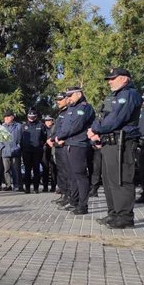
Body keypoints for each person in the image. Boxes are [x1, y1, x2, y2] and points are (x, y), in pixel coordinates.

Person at [88, 68, 142, 228]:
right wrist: (96, 131)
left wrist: (96, 130)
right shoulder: (115, 96)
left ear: (125, 79)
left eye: (113, 78)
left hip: (122, 143)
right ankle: (114, 214)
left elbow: (116, 119)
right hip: (109, 142)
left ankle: (125, 217)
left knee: (121, 179)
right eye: (109, 79)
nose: (110, 81)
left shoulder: (129, 94)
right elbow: (103, 116)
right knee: (110, 180)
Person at [56, 86, 95, 215]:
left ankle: (83, 206)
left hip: (79, 144)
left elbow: (76, 126)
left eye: (70, 95)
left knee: (80, 176)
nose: (68, 98)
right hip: (69, 144)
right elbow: (65, 126)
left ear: (79, 94)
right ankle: (74, 201)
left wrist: (60, 136)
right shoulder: (71, 108)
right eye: (67, 96)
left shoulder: (84, 107)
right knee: (72, 176)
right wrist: (61, 137)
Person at [89, 95, 113, 197]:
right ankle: (94, 189)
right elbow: (93, 130)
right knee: (96, 169)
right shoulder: (99, 117)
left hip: (110, 145)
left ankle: (110, 189)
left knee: (109, 170)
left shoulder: (114, 117)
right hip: (99, 146)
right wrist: (95, 142)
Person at [50, 93, 71, 206]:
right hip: (57, 145)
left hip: (64, 144)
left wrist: (62, 138)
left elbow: (68, 128)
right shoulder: (61, 112)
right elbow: (57, 129)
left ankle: (69, 195)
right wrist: (52, 138)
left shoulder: (69, 111)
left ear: (66, 99)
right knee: (61, 172)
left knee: (66, 172)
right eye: (57, 100)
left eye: (60, 99)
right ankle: (64, 194)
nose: (58, 102)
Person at [20, 109, 47, 194]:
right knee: (27, 170)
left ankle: (36, 188)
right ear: (28, 117)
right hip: (26, 151)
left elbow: (44, 137)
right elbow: (20, 139)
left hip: (37, 151)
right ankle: (27, 188)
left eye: (33, 117)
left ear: (36, 117)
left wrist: (40, 145)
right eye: (30, 117)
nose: (31, 118)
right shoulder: (23, 126)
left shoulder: (41, 125)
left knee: (36, 170)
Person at [0, 111, 22, 191]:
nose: (6, 118)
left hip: (15, 150)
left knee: (15, 169)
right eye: (5, 117)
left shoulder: (18, 126)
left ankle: (16, 185)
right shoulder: (1, 127)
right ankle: (8, 185)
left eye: (8, 117)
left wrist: (18, 147)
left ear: (12, 117)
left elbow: (22, 138)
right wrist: (2, 147)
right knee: (6, 169)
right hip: (5, 151)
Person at [41, 116, 57, 193]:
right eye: (46, 121)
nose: (48, 122)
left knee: (54, 168)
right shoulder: (42, 128)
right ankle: (45, 187)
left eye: (50, 120)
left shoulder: (55, 128)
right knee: (45, 168)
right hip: (45, 149)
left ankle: (53, 187)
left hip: (53, 149)